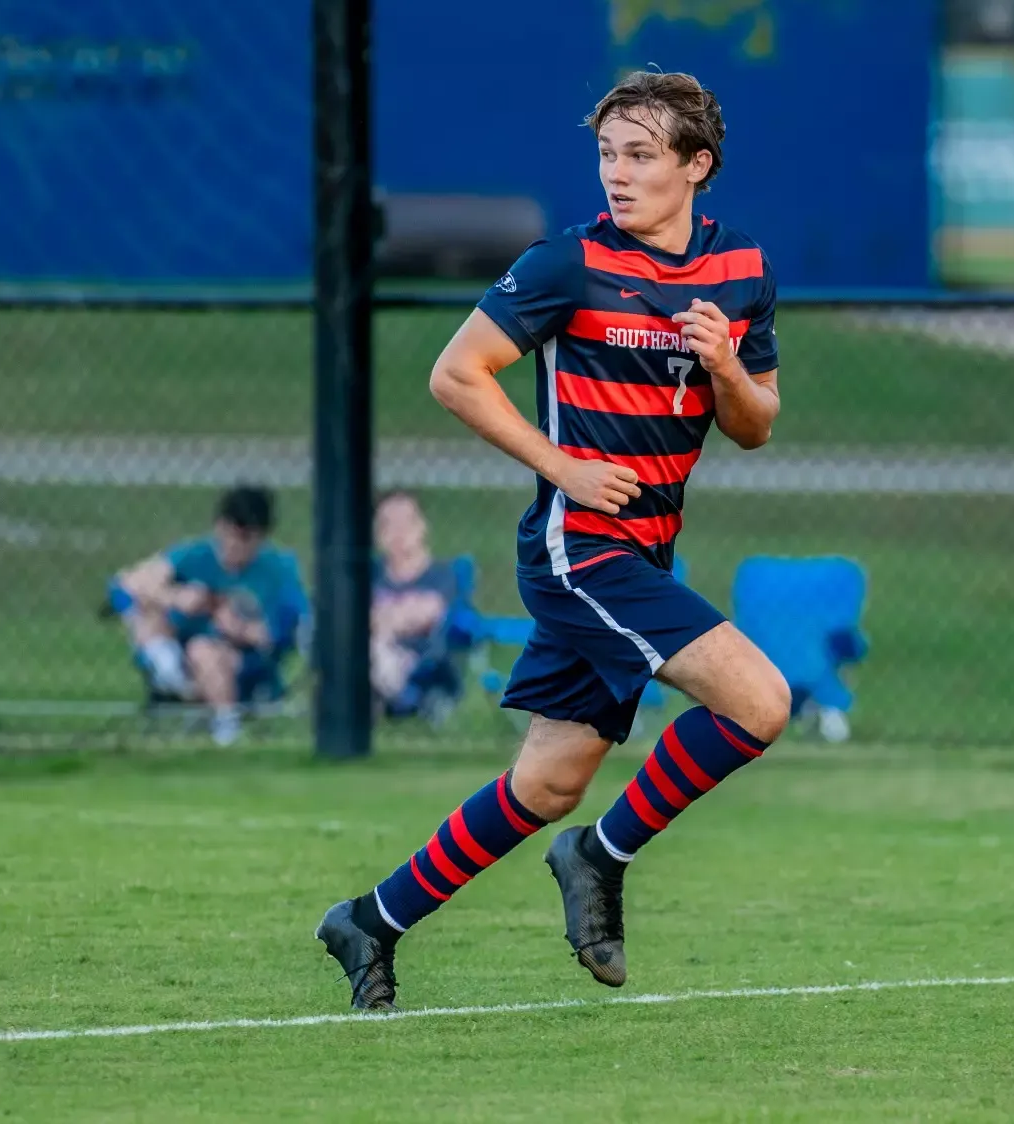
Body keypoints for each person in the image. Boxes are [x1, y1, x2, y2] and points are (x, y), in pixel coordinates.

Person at [316, 69, 791, 1010]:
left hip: (644, 552)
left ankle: (369, 920)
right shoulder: (564, 265)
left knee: (549, 782)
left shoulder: (741, 271)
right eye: (609, 154)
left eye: (642, 156)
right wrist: (563, 466)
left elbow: (757, 424)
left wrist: (727, 365)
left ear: (698, 166)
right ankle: (597, 860)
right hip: (581, 550)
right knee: (759, 702)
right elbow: (457, 375)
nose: (618, 174)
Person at [112, 485, 306, 746]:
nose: (235, 547)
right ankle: (171, 674)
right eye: (230, 536)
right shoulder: (195, 555)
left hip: (240, 659)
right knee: (147, 612)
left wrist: (239, 629)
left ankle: (226, 727)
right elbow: (128, 584)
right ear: (219, 528)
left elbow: (284, 631)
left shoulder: (278, 569)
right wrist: (177, 597)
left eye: (246, 540)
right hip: (180, 651)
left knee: (203, 650)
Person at [368, 490, 460, 717]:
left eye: (406, 523)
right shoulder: (369, 574)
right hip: (375, 653)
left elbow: (430, 612)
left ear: (421, 526)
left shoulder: (441, 575)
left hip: (423, 661)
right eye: (388, 525)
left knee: (376, 647)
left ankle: (389, 697)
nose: (398, 532)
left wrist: (381, 620)